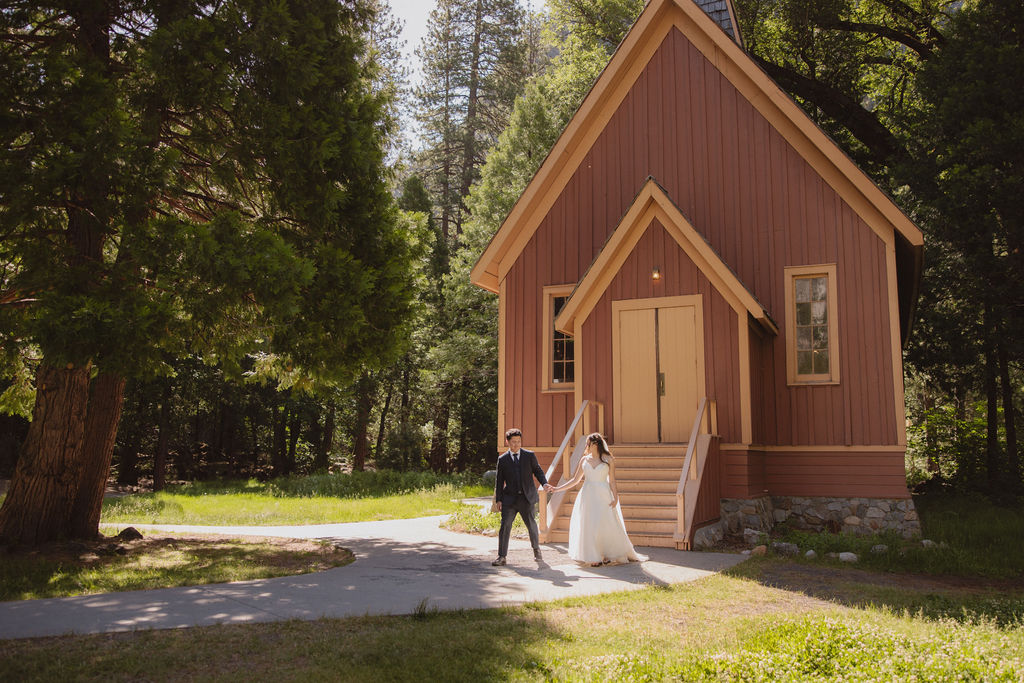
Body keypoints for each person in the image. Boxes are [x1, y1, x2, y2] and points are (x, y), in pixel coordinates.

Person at [550, 432, 647, 566]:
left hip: (603, 494)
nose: (587, 446)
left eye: (589, 444)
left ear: (595, 444)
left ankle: (607, 553)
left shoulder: (608, 460)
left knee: (605, 523)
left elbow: (612, 481)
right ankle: (594, 556)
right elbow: (575, 480)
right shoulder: (584, 460)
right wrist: (557, 489)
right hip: (588, 495)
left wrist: (616, 497)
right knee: (590, 524)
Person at [492, 428, 553, 566]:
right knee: (505, 526)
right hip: (509, 500)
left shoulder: (529, 455)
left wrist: (545, 484)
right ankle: (501, 556)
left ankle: (537, 551)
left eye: (518, 442)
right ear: (507, 442)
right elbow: (499, 480)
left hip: (526, 498)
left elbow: (538, 471)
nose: (516, 445)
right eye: (513, 442)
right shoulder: (502, 459)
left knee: (531, 525)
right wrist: (499, 499)